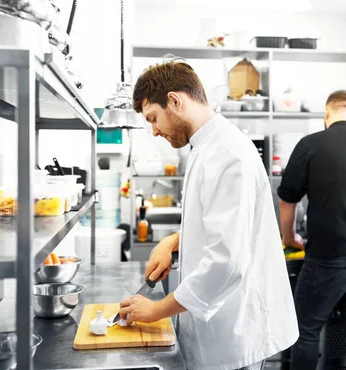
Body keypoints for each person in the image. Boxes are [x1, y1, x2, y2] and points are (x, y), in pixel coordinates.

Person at [119, 59, 299, 370]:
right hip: (218, 329)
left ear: (175, 101)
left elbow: (226, 262)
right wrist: (173, 243)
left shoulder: (227, 154)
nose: (154, 131)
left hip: (234, 334)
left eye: (153, 118)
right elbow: (216, 224)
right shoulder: (206, 147)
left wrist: (159, 309)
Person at [278, 90, 346, 370]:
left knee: (305, 330)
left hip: (329, 256)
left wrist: (289, 238)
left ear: (326, 115)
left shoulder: (310, 144)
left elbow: (287, 200)